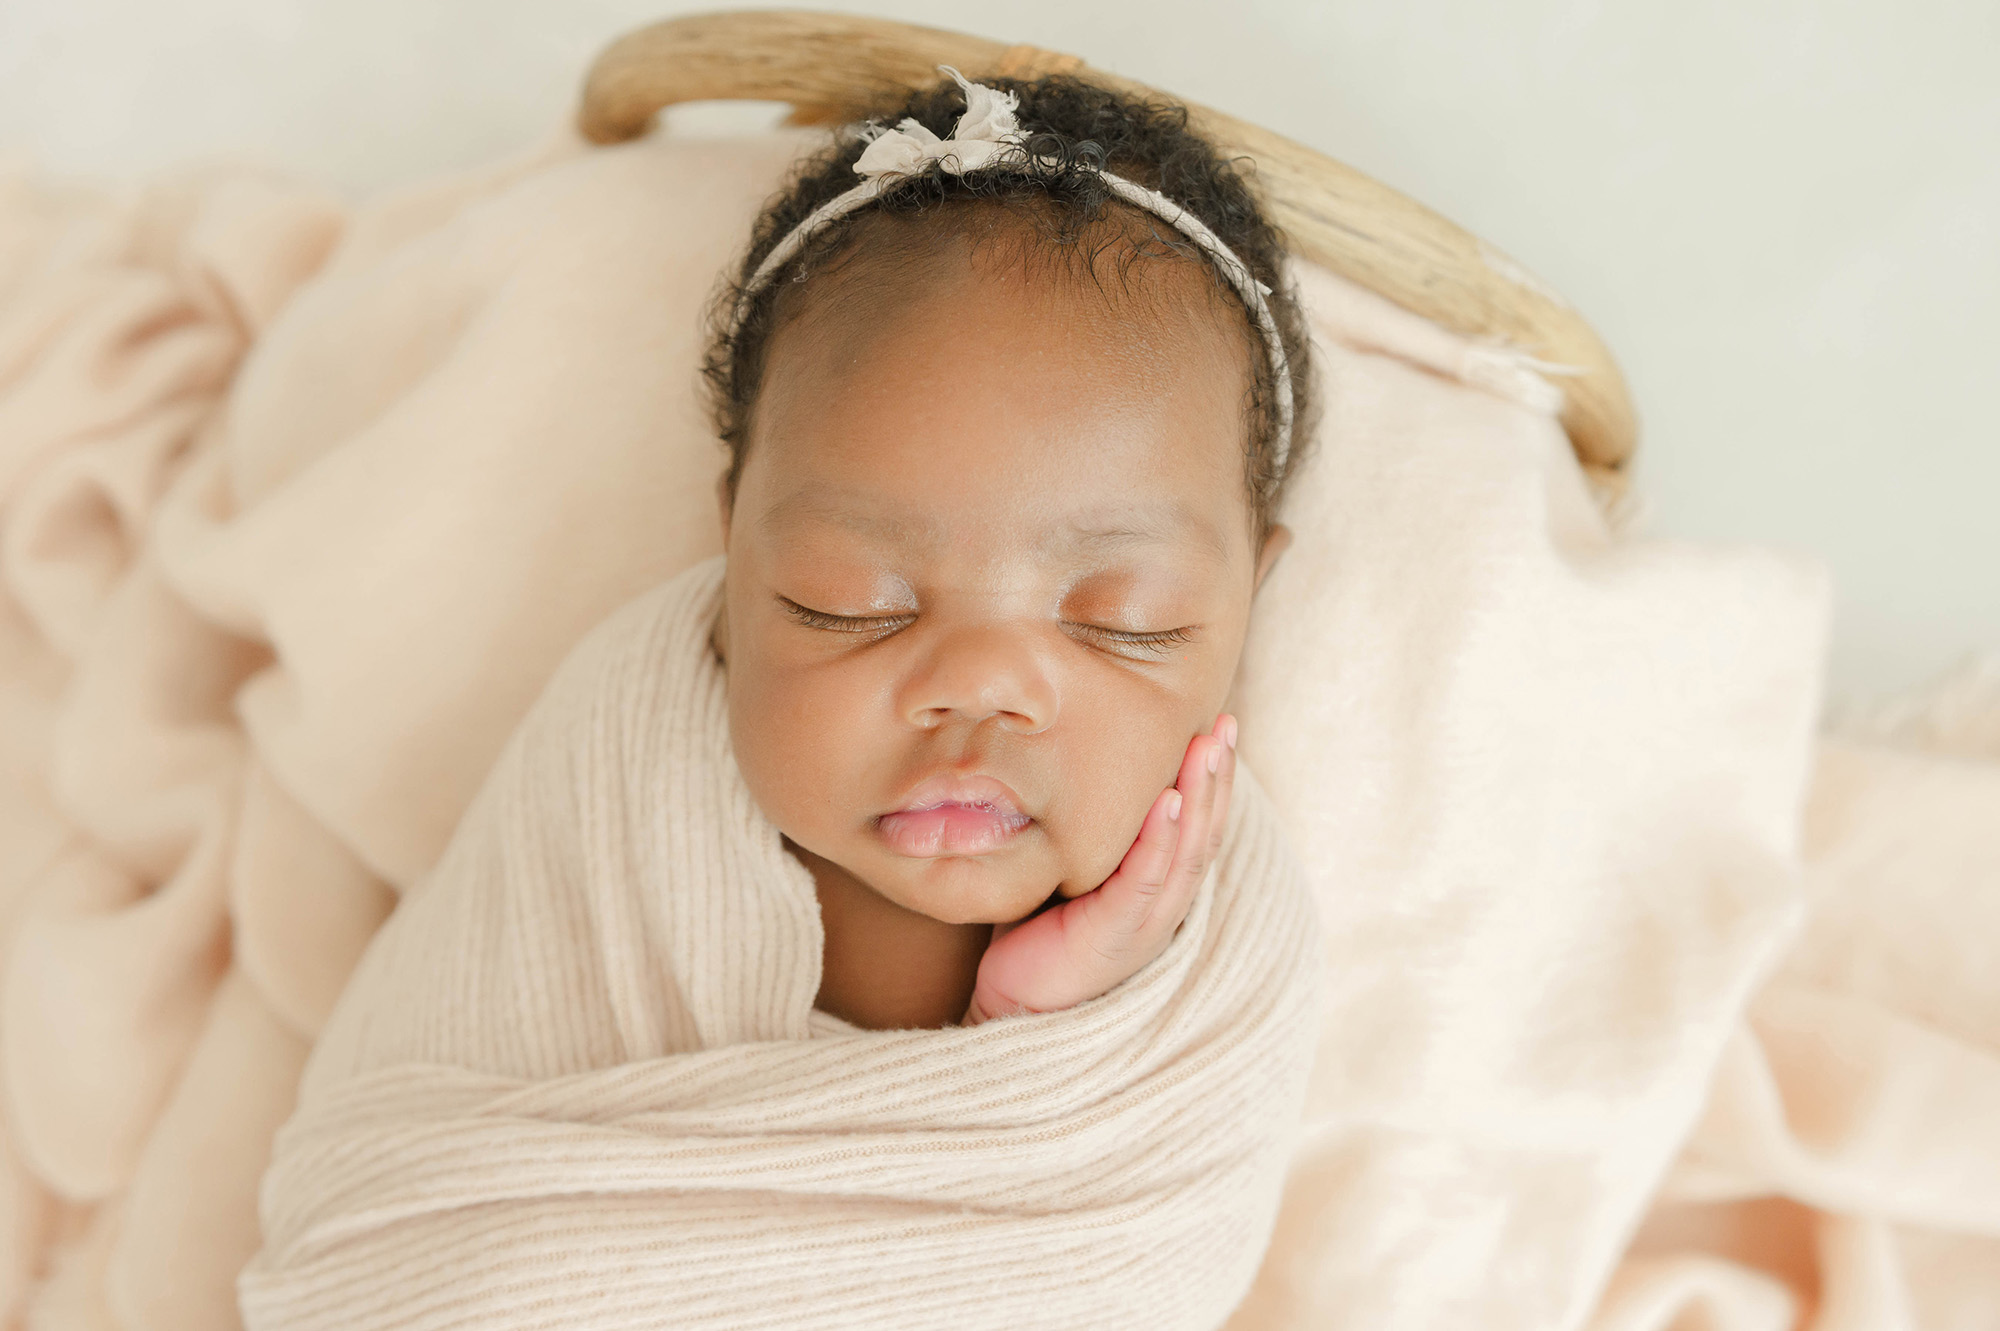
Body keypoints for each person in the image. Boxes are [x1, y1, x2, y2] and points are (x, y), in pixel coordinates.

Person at [701, 66, 1317, 1032]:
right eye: (849, 600)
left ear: (1250, 600)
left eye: (1125, 618)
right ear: (731, 549)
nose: (980, 684)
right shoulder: (608, 782)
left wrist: (1044, 1021)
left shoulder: (1223, 953)